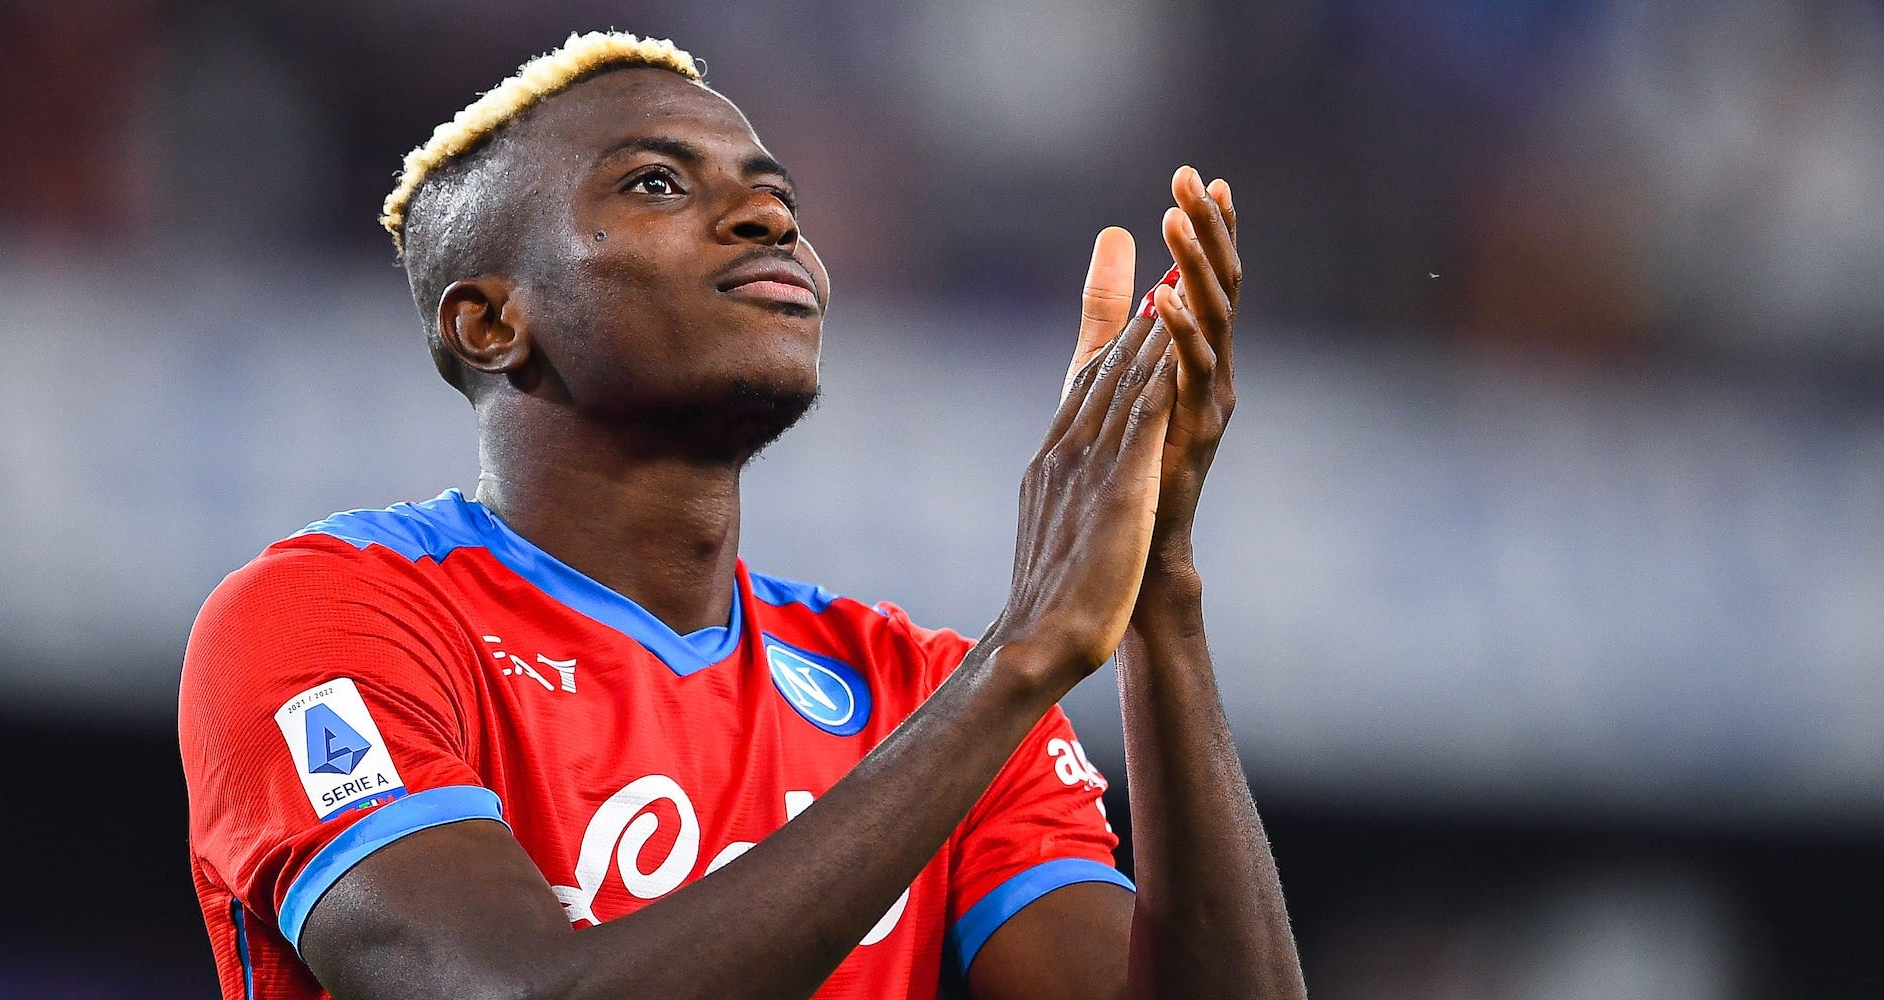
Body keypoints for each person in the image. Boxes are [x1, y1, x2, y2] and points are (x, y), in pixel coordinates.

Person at [179, 30, 1304, 1000]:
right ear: (489, 323)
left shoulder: (914, 689)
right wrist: (1023, 656)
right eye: (657, 183)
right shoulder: (325, 617)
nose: (766, 216)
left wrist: (1157, 587)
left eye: (778, 196)